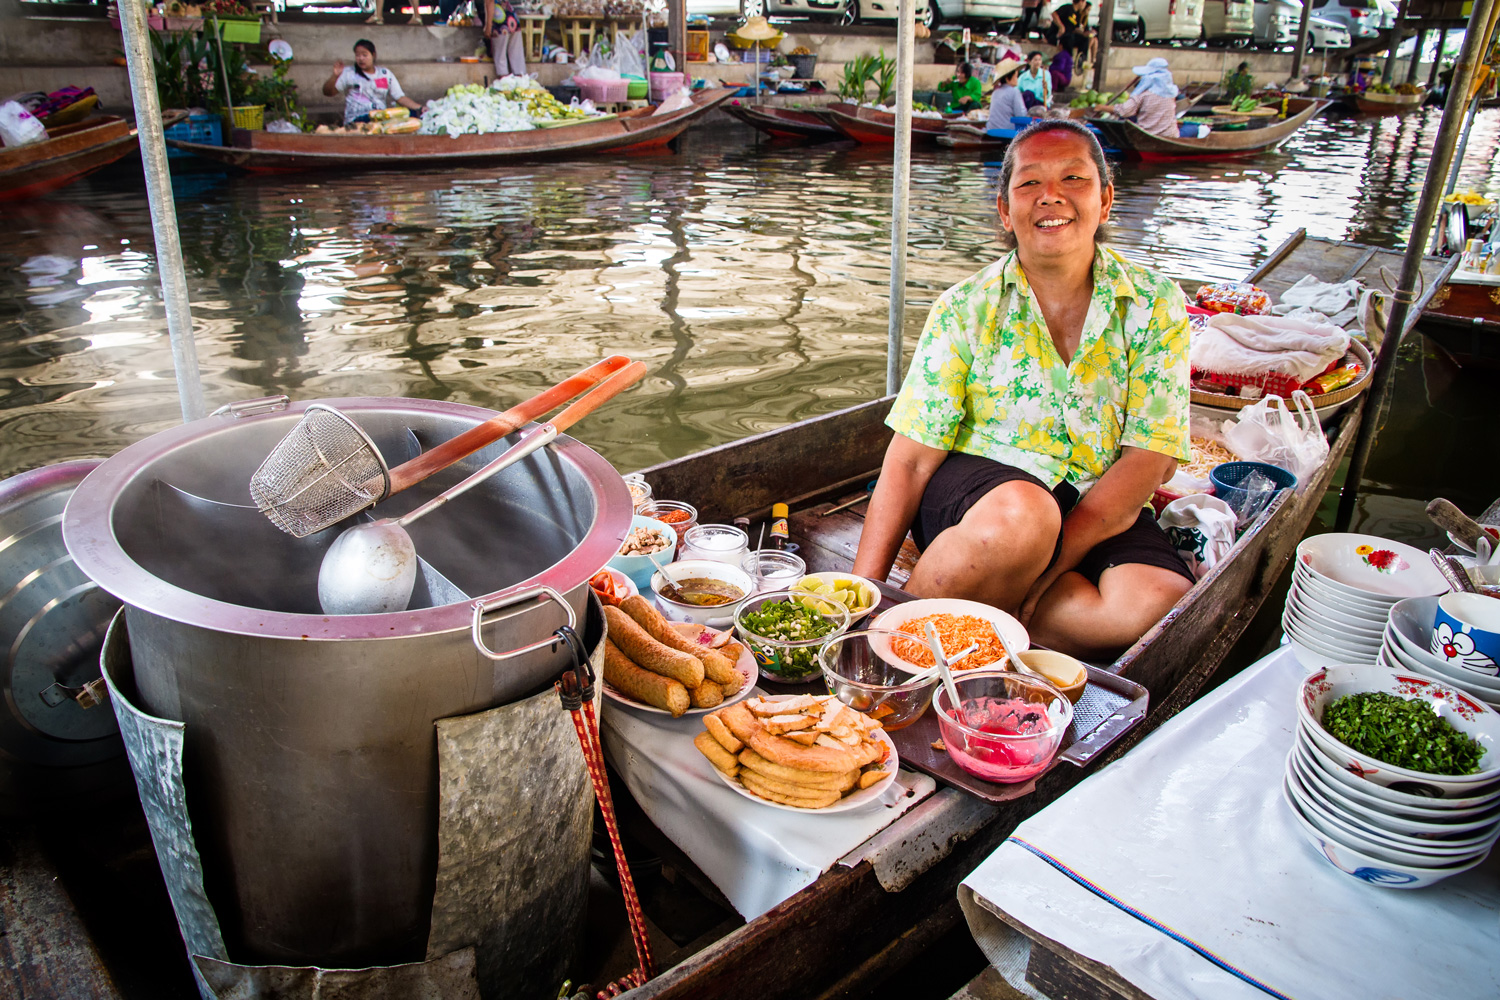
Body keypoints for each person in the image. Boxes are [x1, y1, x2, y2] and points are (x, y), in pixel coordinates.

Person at [851, 119, 1194, 659]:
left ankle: (993, 606)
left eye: (1073, 178)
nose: (1050, 196)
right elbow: (911, 461)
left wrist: (1052, 565)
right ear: (1006, 212)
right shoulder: (966, 307)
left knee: (1153, 602)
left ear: (1105, 201)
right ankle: (885, 646)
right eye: (1029, 183)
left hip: (1092, 498)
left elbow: (1149, 457)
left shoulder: (1155, 304)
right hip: (983, 492)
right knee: (1023, 516)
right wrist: (860, 597)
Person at [323, 39, 427, 125]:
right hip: (357, 120)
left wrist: (420, 108)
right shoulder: (348, 73)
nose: (361, 59)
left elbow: (400, 97)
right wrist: (335, 76)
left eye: (364, 55)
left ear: (373, 55)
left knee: (413, 115)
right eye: (358, 55)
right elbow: (328, 92)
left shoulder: (385, 74)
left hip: (381, 118)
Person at [1100, 56, 1179, 139]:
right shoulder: (1171, 94)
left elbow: (1124, 111)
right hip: (1171, 135)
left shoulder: (1143, 95)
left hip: (1147, 134)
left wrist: (1102, 108)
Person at [485, 0, 527, 78]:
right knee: (517, 55)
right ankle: (521, 83)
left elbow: (489, 2)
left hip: (500, 20)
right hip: (512, 18)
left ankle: (505, 84)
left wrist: (488, 26)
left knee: (500, 56)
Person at [985, 59, 1029, 129]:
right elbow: (1020, 114)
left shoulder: (995, 92)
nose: (1017, 79)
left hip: (991, 129)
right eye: (1015, 76)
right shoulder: (1014, 92)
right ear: (1007, 78)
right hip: (1007, 130)